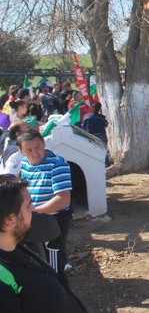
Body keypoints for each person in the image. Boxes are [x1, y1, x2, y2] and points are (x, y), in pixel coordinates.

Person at [0, 175, 87, 312]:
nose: (34, 210)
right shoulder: (3, 280)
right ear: (10, 220)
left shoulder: (15, 243)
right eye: (29, 206)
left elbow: (51, 228)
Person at [18, 130, 72, 276]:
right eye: (29, 150)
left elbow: (63, 199)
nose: (35, 153)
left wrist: (34, 211)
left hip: (54, 218)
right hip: (34, 216)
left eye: (38, 147)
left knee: (53, 259)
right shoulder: (24, 163)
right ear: (21, 151)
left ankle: (59, 290)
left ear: (43, 143)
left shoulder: (57, 164)